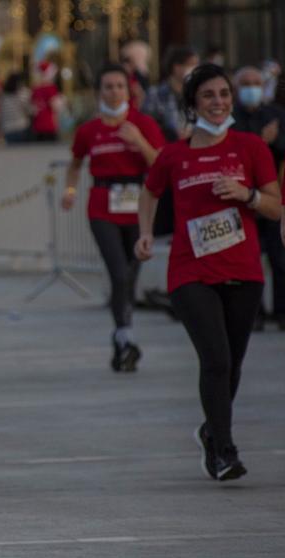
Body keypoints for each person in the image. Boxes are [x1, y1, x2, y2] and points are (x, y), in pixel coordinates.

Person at [136, 63, 280, 481]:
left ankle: (210, 430)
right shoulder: (174, 155)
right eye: (209, 96)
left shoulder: (251, 148)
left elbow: (275, 205)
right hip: (190, 273)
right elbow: (149, 192)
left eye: (224, 94)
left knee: (231, 366)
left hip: (244, 271)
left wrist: (247, 194)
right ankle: (225, 450)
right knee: (215, 359)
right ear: (192, 105)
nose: (219, 103)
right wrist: (145, 234)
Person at [63, 64, 165, 372]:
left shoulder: (142, 124)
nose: (114, 91)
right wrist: (69, 190)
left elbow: (160, 164)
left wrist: (139, 142)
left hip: (137, 205)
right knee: (118, 273)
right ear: (99, 92)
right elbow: (76, 162)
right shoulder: (89, 130)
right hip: (102, 206)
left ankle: (123, 335)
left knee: (131, 275)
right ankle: (125, 334)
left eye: (120, 86)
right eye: (108, 86)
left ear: (128, 89)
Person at [233, 65, 285, 331]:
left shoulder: (276, 114)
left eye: (256, 83)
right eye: (245, 84)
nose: (251, 88)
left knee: (280, 258)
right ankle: (254, 313)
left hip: (274, 195)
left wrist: (274, 139)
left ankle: (282, 311)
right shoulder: (231, 118)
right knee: (249, 260)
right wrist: (260, 141)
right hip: (242, 197)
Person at [144, 46, 200, 142]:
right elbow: (147, 123)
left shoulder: (198, 93)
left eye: (196, 65)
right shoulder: (155, 94)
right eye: (191, 64)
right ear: (176, 67)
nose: (195, 69)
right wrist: (171, 133)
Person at [30, 60, 65, 142]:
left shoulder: (35, 89)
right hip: (49, 125)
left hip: (37, 126)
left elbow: (32, 107)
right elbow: (56, 106)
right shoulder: (51, 88)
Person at [0, 73, 34, 143]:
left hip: (7, 128)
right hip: (21, 127)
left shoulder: (3, 96)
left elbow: (1, 113)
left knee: (12, 152)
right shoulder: (22, 93)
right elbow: (29, 110)